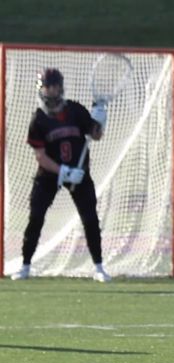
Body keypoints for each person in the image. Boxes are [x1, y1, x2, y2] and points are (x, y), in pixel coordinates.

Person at [11, 68, 111, 282]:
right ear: (42, 89)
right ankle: (25, 266)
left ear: (61, 87)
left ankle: (99, 267)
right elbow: (40, 156)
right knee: (36, 216)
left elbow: (96, 135)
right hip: (50, 174)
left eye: (55, 86)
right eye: (48, 86)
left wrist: (101, 118)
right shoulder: (38, 119)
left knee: (90, 218)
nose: (52, 90)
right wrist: (64, 171)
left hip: (79, 173)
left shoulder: (75, 110)